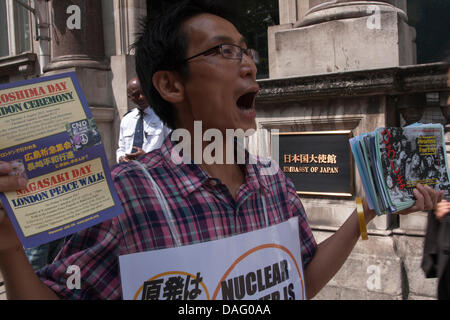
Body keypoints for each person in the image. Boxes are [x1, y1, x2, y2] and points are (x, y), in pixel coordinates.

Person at [0, 0, 442, 300]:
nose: (249, 65)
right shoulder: (127, 196)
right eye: (224, 51)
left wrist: (364, 211)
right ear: (171, 85)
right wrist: (9, 248)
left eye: (246, 51)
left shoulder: (274, 182)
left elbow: (297, 284)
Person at [116, 77, 170, 163]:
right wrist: (121, 158)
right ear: (130, 97)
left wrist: (147, 157)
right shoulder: (126, 119)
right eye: (136, 95)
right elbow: (121, 148)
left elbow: (172, 149)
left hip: (155, 170)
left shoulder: (163, 116)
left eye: (143, 92)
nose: (141, 97)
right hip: (131, 171)